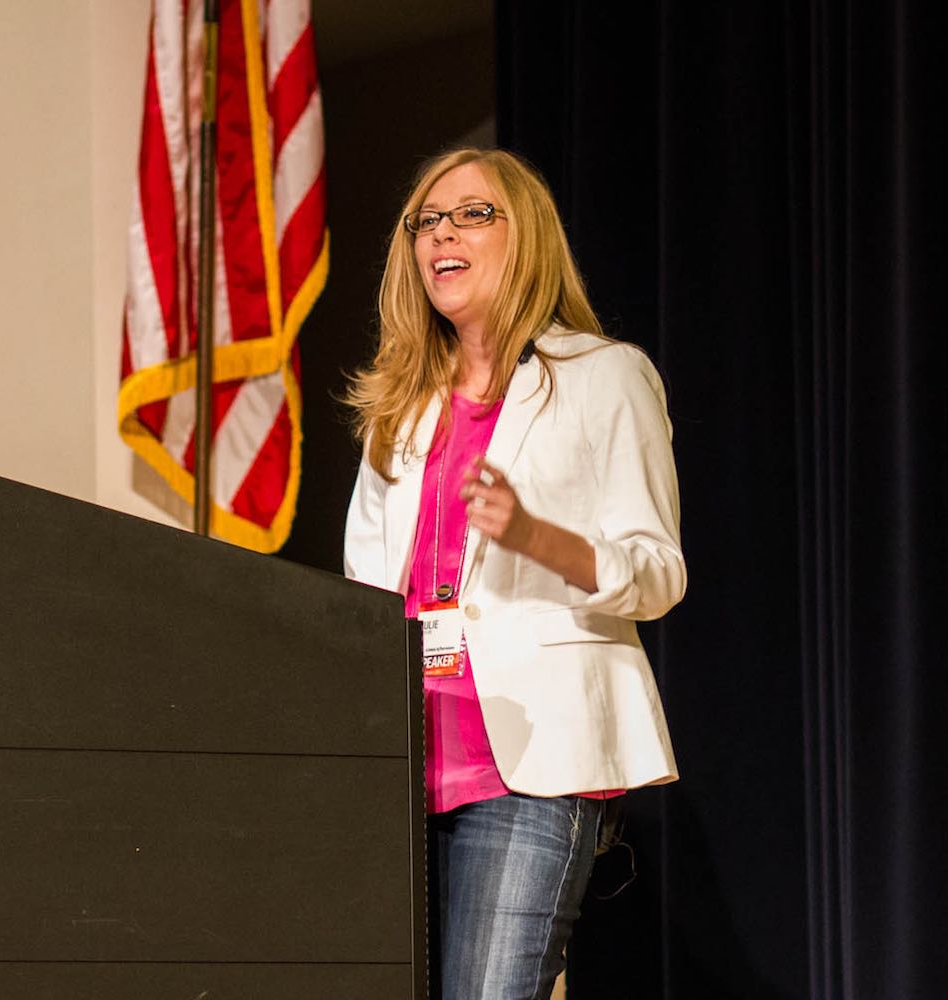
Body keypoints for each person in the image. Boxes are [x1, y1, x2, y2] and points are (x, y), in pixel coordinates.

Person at [343, 147, 686, 999]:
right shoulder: (401, 400)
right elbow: (360, 581)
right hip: (398, 760)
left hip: (529, 764)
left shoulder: (604, 376)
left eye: (470, 214)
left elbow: (659, 572)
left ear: (525, 234)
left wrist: (537, 536)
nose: (440, 234)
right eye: (426, 220)